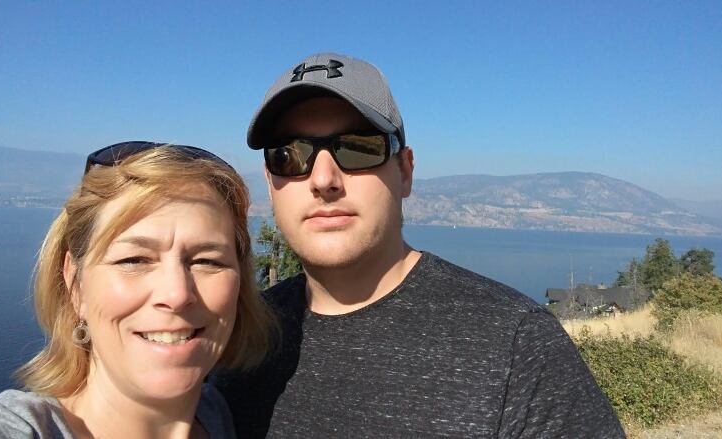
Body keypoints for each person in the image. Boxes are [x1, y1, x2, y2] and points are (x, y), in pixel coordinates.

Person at [211, 53, 626, 438]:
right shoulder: (234, 340)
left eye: (357, 147)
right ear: (271, 184)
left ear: (405, 171)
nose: (323, 179)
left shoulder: (516, 346)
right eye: (289, 155)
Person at [0, 141, 275, 438]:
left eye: (206, 261)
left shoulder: (233, 413)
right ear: (75, 284)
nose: (177, 294)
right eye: (134, 259)